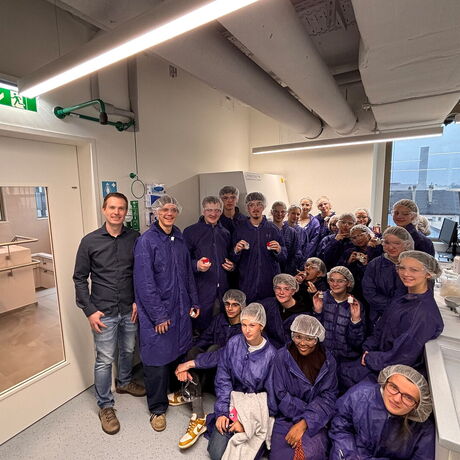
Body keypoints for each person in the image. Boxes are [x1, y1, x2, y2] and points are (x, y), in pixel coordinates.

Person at [73, 192, 145, 435]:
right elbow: (79, 278)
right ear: (104, 210)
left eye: (121, 208)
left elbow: (140, 273)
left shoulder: (135, 238)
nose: (116, 212)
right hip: (102, 311)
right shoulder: (89, 241)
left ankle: (124, 382)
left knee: (128, 350)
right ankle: (105, 405)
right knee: (104, 360)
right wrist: (89, 311)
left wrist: (137, 301)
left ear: (126, 212)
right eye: (112, 207)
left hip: (129, 308)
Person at [133, 195, 199, 432]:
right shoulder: (146, 241)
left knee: (177, 352)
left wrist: (194, 300)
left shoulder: (179, 239)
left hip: (180, 309)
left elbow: (188, 274)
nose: (169, 213)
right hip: (159, 312)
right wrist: (158, 315)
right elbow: (145, 283)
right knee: (156, 360)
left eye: (173, 209)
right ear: (156, 212)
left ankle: (174, 393)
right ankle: (157, 409)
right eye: (164, 210)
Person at [341, 250, 444, 388]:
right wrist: (368, 348)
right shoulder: (404, 299)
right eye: (402, 268)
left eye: (414, 270)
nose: (405, 273)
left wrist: (370, 358)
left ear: (429, 274)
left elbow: (403, 356)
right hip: (378, 357)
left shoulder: (423, 314)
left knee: (342, 375)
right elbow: (381, 328)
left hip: (388, 369)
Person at [170, 289, 246, 450]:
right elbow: (204, 339)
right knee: (194, 350)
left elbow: (222, 354)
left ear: (242, 307)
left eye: (235, 305)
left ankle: (192, 400)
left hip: (228, 377)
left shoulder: (244, 328)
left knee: (213, 349)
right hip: (211, 370)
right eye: (227, 304)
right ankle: (195, 406)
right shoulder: (220, 319)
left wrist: (190, 364)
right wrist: (187, 361)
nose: (230, 308)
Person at [207, 303, 277, 460]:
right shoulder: (234, 343)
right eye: (244, 325)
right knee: (216, 453)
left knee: (246, 453)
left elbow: (270, 397)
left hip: (255, 411)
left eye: (252, 325)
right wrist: (222, 413)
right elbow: (223, 379)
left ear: (262, 326)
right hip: (232, 404)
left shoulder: (271, 355)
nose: (247, 330)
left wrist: (247, 423)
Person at [329, 364, 436, 459]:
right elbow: (339, 426)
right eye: (394, 387)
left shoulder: (424, 432)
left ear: (417, 405)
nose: (396, 399)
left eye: (408, 397)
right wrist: (348, 455)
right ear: (384, 383)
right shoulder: (360, 396)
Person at [270, 315, 338, 460]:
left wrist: (306, 422)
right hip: (286, 417)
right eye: (298, 337)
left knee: (312, 454)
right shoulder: (282, 357)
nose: (302, 343)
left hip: (316, 420)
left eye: (309, 339)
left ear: (317, 338)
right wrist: (305, 414)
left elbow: (328, 397)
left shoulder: (328, 362)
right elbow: (280, 394)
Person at [183, 196, 234, 331]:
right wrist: (196, 265)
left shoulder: (225, 233)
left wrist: (232, 266)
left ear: (221, 211)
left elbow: (230, 257)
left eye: (217, 210)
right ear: (203, 211)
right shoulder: (190, 232)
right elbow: (182, 261)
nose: (213, 214)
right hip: (200, 290)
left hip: (222, 290)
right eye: (209, 210)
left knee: (220, 326)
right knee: (200, 327)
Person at [312, 267, 366, 382]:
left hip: (346, 362)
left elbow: (357, 342)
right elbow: (314, 334)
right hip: (322, 357)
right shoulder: (321, 299)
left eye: (340, 281)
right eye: (331, 280)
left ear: (348, 283)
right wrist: (317, 312)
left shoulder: (355, 305)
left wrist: (355, 320)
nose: (335, 284)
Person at [232, 192, 287, 302]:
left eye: (259, 204)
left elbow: (284, 257)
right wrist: (236, 250)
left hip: (269, 282)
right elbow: (232, 258)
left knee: (269, 309)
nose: (255, 208)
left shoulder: (273, 229)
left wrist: (279, 250)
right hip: (247, 283)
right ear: (247, 208)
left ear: (264, 207)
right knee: (249, 310)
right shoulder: (240, 229)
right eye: (251, 205)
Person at [362, 226, 414, 325]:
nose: (391, 247)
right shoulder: (375, 265)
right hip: (379, 316)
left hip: (407, 316)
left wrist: (403, 309)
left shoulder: (414, 265)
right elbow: (369, 292)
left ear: (406, 244)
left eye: (397, 243)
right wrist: (393, 307)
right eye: (387, 242)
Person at [260, 274, 309, 349]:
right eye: (278, 288)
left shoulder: (302, 314)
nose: (281, 292)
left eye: (286, 289)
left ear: (293, 291)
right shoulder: (269, 304)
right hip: (267, 348)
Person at [338, 224, 381, 302]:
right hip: (356, 290)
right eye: (354, 238)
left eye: (360, 235)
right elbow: (340, 270)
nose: (358, 239)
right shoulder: (350, 252)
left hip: (375, 289)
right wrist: (349, 262)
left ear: (368, 234)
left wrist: (369, 251)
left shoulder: (378, 249)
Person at [271, 201, 303, 275]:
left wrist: (289, 271)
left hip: (286, 270)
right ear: (272, 212)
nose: (279, 214)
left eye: (282, 212)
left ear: (286, 213)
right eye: (276, 211)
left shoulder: (292, 232)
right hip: (269, 269)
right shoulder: (266, 230)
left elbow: (295, 253)